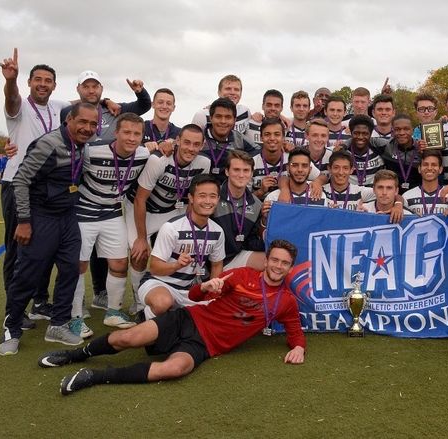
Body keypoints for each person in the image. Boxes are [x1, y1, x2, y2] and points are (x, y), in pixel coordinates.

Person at [38, 239, 305, 396]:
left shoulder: (286, 301)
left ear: (290, 267)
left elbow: (294, 329)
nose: (278, 266)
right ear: (267, 260)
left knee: (175, 369)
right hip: (187, 319)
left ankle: (95, 376)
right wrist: (206, 287)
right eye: (275, 260)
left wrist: (299, 348)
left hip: (204, 346)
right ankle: (76, 356)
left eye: (285, 263)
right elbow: (197, 295)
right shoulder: (242, 275)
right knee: (128, 337)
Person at [0, 103, 99, 355]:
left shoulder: (82, 145)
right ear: (69, 121)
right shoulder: (49, 143)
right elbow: (20, 181)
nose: (87, 128)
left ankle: (58, 324)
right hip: (41, 216)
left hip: (67, 216)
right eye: (82, 122)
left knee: (70, 270)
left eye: (93, 124)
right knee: (28, 275)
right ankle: (11, 327)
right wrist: (24, 220)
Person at [0, 49, 71, 324]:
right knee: (17, 249)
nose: (43, 84)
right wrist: (10, 80)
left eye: (48, 80)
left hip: (49, 188)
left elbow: (85, 102)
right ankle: (12, 310)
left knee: (45, 247)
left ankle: (39, 302)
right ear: (29, 82)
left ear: (54, 85)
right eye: (37, 79)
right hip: (19, 183)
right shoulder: (19, 105)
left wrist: (109, 101)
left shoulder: (60, 107)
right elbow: (11, 99)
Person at [71, 113, 151, 337]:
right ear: (115, 133)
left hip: (113, 212)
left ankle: (113, 312)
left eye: (137, 134)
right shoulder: (92, 150)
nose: (132, 138)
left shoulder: (144, 154)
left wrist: (164, 145)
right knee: (78, 265)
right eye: (127, 132)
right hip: (84, 212)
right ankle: (75, 315)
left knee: (118, 263)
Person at [126, 125, 211, 314]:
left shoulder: (204, 163)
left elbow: (193, 198)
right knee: (139, 254)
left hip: (171, 210)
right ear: (178, 140)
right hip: (143, 209)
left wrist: (190, 230)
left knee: (180, 249)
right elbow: (141, 199)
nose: (191, 148)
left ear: (203, 145)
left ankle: (176, 290)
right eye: (187, 142)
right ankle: (138, 301)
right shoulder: (159, 160)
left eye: (196, 144)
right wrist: (141, 238)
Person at [138, 175, 225, 319]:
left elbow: (217, 265)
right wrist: (176, 265)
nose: (208, 201)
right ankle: (145, 316)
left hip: (189, 289)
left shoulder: (217, 231)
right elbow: (154, 267)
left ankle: (174, 313)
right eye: (202, 196)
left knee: (217, 309)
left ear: (218, 199)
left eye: (213, 196)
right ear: (191, 198)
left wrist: (211, 292)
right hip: (159, 283)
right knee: (163, 303)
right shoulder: (171, 228)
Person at [211, 150, 266, 270]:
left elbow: (250, 242)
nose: (241, 175)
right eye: (236, 170)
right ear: (226, 171)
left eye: (246, 170)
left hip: (235, 257)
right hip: (208, 259)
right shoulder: (213, 196)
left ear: (252, 174)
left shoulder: (256, 204)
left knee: (271, 261)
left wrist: (266, 229)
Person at [252, 117, 319, 200]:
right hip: (262, 208)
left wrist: (318, 183)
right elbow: (243, 199)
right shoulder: (252, 162)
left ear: (283, 137)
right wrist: (261, 191)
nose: (272, 138)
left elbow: (321, 176)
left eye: (277, 134)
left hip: (290, 207)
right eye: (267, 134)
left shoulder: (293, 157)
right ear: (261, 137)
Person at [200, 98, 257, 185]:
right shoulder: (199, 137)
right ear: (211, 118)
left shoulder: (238, 138)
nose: (223, 121)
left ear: (234, 120)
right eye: (218, 116)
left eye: (228, 117)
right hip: (202, 191)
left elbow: (259, 152)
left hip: (229, 192)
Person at [402, 149, 448, 216]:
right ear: (419, 169)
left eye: (434, 165)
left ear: (440, 169)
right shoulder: (406, 197)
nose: (429, 168)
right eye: (425, 164)